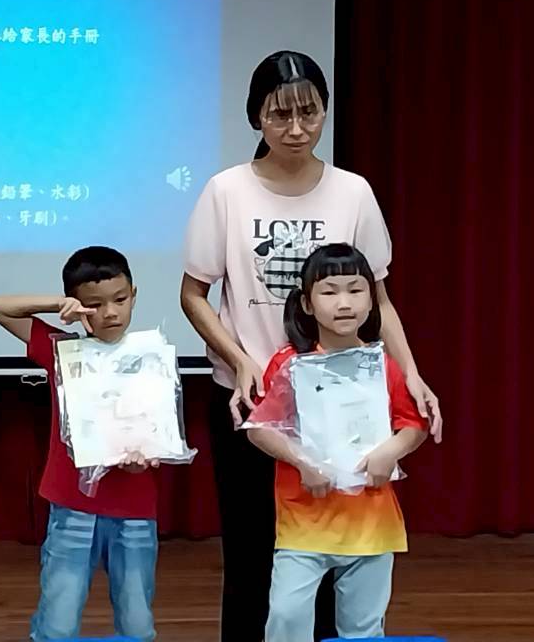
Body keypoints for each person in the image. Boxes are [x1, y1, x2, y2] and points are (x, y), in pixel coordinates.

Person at [180, 50, 442, 641]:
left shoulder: (352, 192)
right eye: (280, 115)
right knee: (253, 549)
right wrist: (240, 361)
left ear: (325, 112)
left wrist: (412, 373)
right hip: (253, 400)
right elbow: (193, 294)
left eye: (310, 113)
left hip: (340, 398)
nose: (296, 129)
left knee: (335, 549)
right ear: (256, 117)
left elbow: (380, 299)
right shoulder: (226, 191)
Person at [247, 243, 428, 641]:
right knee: (286, 617)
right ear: (307, 303)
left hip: (371, 522)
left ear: (371, 299)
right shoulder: (288, 364)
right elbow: (260, 427)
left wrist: (390, 452)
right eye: (329, 292)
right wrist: (303, 464)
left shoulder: (384, 364)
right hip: (303, 519)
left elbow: (413, 424)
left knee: (362, 630)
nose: (344, 303)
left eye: (355, 290)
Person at [0, 246, 159, 642]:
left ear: (134, 295)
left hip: (134, 505)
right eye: (94, 305)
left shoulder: (152, 359)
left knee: (137, 622)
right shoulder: (62, 349)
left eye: (120, 299)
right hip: (72, 504)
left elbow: (160, 430)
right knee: (59, 622)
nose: (110, 313)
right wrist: (57, 305)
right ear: (77, 306)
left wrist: (147, 455)